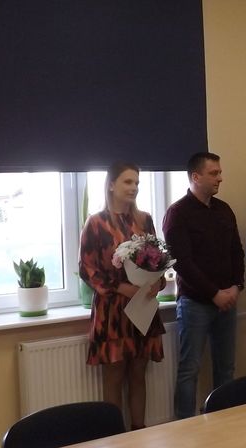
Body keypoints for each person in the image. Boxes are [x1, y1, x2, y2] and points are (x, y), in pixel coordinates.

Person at [79, 162, 165, 430]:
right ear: (111, 185)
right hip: (112, 310)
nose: (134, 187)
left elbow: (157, 260)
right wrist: (119, 287)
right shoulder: (96, 223)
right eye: (128, 182)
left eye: (137, 182)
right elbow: (87, 269)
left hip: (142, 307)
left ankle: (139, 434)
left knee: (138, 374)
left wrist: (157, 282)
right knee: (114, 376)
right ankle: (114, 436)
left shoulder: (144, 220)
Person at [163, 152, 245, 419]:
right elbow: (182, 263)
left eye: (220, 172)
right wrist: (214, 294)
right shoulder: (178, 213)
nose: (220, 178)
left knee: (226, 368)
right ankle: (184, 424)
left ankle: (224, 420)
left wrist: (236, 286)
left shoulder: (224, 209)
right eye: (213, 173)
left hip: (228, 300)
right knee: (190, 369)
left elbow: (236, 252)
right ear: (196, 177)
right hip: (195, 303)